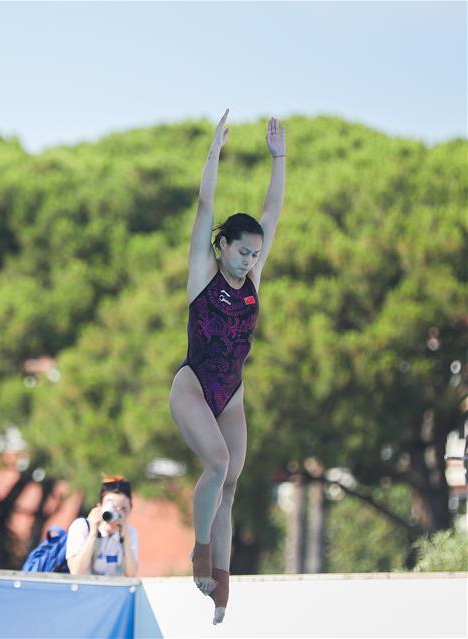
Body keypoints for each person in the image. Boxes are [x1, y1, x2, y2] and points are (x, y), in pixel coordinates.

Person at [169, 110, 285, 623]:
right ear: (223, 247)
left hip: (232, 393)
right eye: (241, 252)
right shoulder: (203, 273)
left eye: (254, 254)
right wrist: (213, 153)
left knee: (231, 484)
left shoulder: (254, 279)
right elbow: (205, 204)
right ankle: (199, 554)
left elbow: (273, 210)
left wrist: (278, 159)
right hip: (193, 385)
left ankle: (221, 588)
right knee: (216, 463)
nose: (247, 261)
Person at [66, 476, 139, 577]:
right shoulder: (82, 526)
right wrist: (93, 533)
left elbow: (131, 574)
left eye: (123, 509)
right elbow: (76, 571)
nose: (117, 513)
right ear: (99, 506)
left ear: (130, 510)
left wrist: (125, 538)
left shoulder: (129, 532)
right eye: (112, 507)